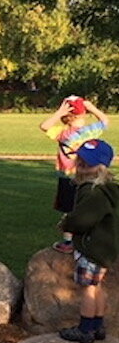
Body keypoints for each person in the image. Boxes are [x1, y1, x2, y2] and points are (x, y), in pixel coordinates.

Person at [58, 139, 118, 343]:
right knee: (97, 285)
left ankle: (85, 329)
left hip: (93, 248)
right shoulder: (107, 189)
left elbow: (82, 220)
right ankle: (98, 325)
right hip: (104, 248)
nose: (82, 164)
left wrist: (67, 223)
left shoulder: (94, 192)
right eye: (80, 159)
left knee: (88, 289)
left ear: (101, 167)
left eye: (88, 162)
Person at [39, 96, 108, 253]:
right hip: (87, 175)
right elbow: (104, 121)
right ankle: (88, 238)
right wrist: (92, 108)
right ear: (82, 114)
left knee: (69, 210)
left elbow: (44, 126)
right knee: (87, 206)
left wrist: (58, 112)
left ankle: (68, 242)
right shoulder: (90, 131)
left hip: (68, 176)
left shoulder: (63, 133)